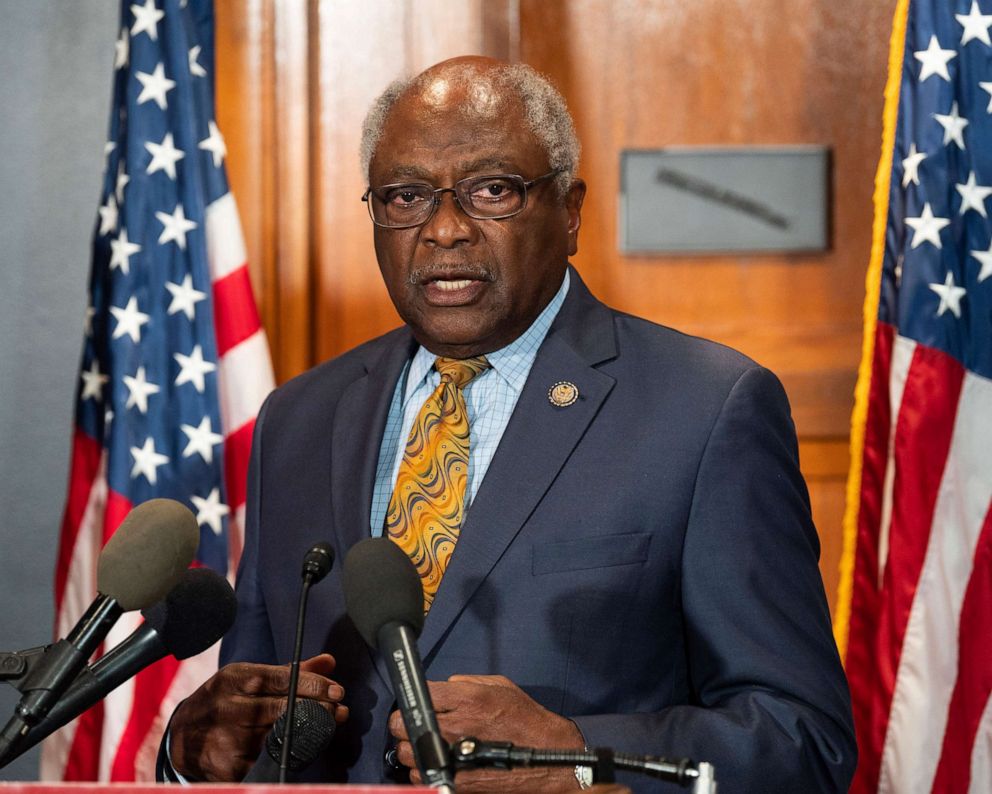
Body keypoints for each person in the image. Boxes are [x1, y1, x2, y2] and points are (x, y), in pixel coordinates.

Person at [163, 56, 856, 792]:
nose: (445, 231)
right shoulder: (299, 418)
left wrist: (579, 760)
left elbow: (802, 739)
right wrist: (191, 752)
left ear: (569, 211)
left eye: (492, 190)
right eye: (405, 196)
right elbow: (254, 706)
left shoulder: (707, 409)